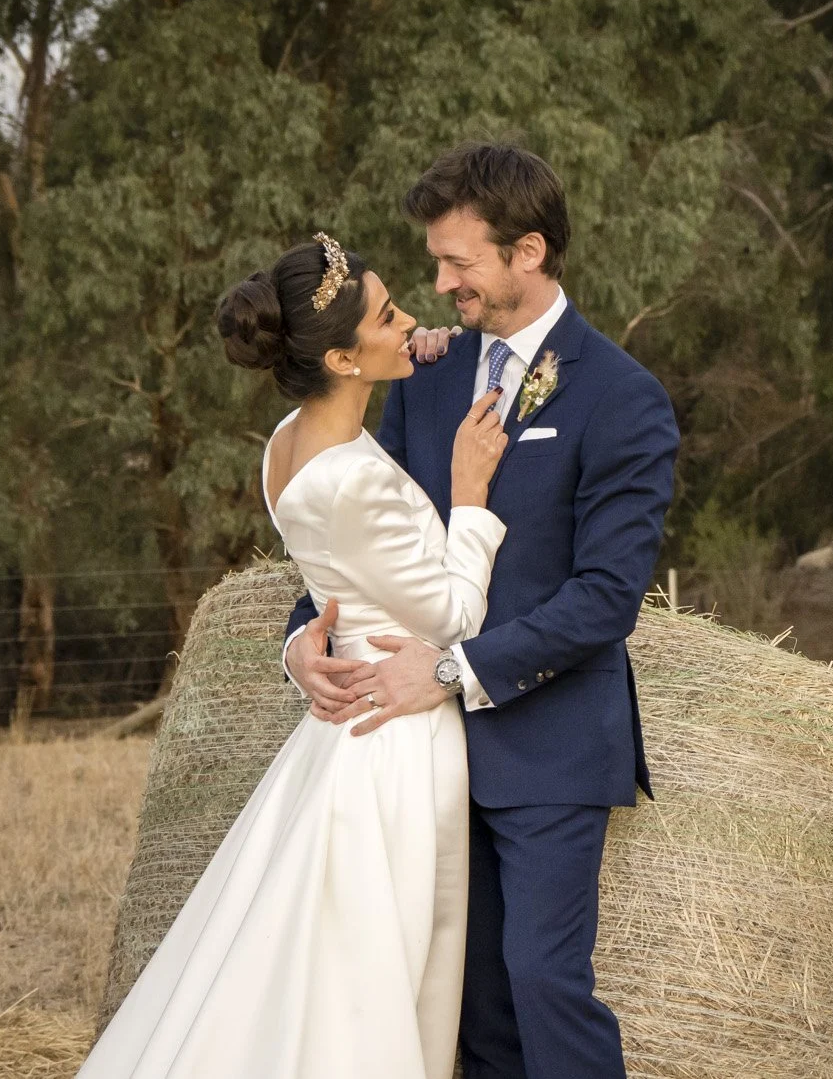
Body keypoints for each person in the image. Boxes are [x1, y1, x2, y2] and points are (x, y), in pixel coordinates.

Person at [284, 142, 677, 1079]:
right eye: (435, 260)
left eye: (459, 261)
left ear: (528, 252)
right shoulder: (421, 378)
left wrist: (452, 670)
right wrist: (303, 633)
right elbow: (363, 527)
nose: (440, 280)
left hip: (549, 747)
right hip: (422, 761)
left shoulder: (626, 400)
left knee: (543, 982)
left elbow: (605, 597)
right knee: (474, 1010)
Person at [81, 233, 512, 1079]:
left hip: (338, 731)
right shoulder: (356, 480)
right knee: (372, 971)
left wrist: (296, 646)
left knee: (312, 957)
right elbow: (458, 612)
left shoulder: (285, 443)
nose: (412, 319)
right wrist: (470, 495)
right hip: (396, 742)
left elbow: (333, 582)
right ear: (345, 357)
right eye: (391, 315)